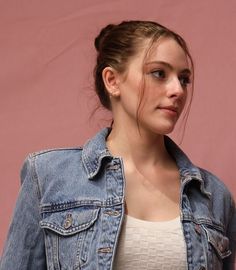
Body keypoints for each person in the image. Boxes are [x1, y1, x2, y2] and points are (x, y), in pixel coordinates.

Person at [0, 20, 235, 270]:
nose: (177, 89)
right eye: (159, 73)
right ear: (112, 80)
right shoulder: (49, 176)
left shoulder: (213, 195)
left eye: (184, 79)